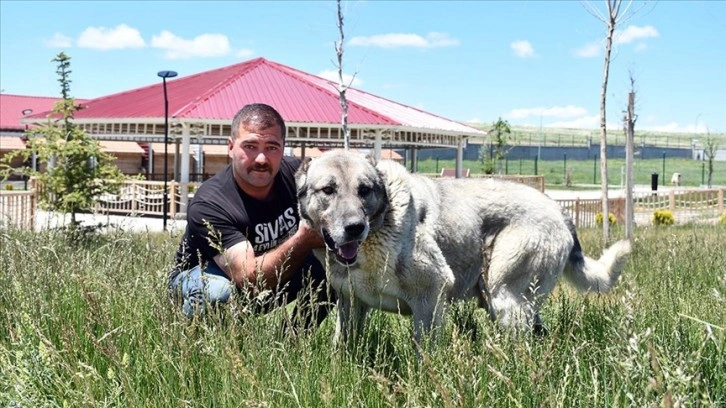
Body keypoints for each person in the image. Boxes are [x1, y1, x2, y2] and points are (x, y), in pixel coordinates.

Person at [169, 103, 333, 330]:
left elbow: (341, 179)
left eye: (272, 147)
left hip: (269, 271)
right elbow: (248, 281)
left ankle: (291, 344)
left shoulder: (299, 175)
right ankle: (194, 349)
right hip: (210, 278)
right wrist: (304, 239)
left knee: (336, 262)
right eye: (250, 146)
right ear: (230, 147)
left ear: (283, 148)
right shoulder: (209, 203)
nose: (261, 159)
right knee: (218, 293)